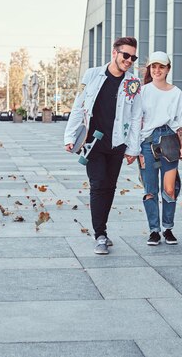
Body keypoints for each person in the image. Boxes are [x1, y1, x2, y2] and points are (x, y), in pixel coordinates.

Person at [64, 37, 142, 255]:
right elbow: (78, 106)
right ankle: (100, 234)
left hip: (118, 143)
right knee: (98, 184)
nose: (129, 60)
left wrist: (132, 149)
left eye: (133, 57)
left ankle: (102, 231)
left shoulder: (133, 83)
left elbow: (136, 117)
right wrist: (69, 137)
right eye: (125, 55)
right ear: (114, 53)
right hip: (93, 142)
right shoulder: (92, 75)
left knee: (110, 187)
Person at [138, 51, 182, 246]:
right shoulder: (143, 91)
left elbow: (179, 122)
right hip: (147, 143)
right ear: (150, 68)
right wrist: (135, 149)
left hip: (169, 141)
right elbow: (136, 121)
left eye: (162, 67)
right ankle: (154, 231)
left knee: (169, 188)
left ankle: (168, 228)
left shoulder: (176, 93)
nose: (157, 70)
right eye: (154, 66)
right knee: (150, 189)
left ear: (168, 69)